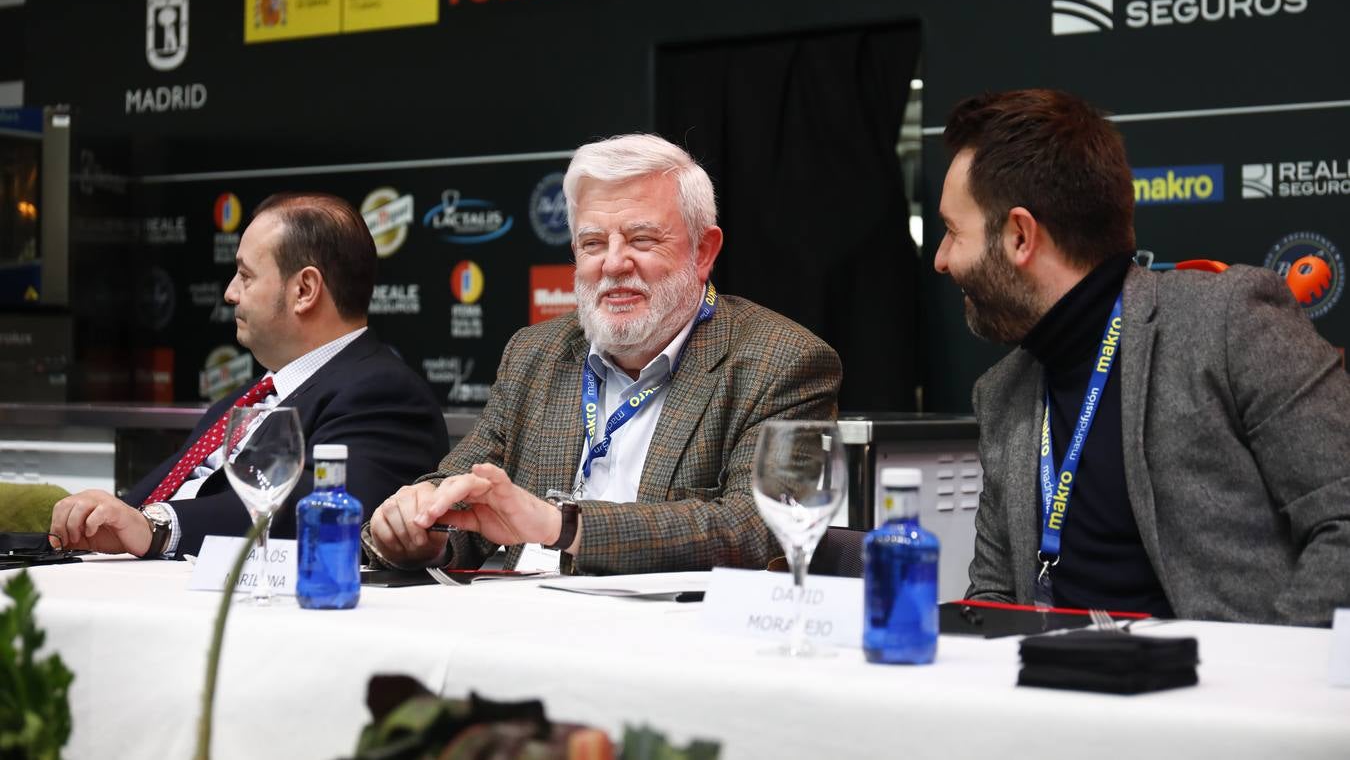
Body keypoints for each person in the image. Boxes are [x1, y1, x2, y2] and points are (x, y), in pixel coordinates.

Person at [934, 88, 1350, 626]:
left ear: (1020, 235)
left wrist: (1261, 679)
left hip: (1218, 697)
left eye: (951, 232)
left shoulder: (1226, 323)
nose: (942, 261)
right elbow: (992, 598)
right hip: (1049, 697)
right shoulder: (1001, 392)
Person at [366, 133, 842, 574]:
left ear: (703, 251)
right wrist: (423, 526)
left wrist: (563, 525)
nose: (613, 264)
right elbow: (465, 494)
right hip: (520, 632)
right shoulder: (536, 353)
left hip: (667, 645)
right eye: (593, 243)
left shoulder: (783, 361)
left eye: (641, 239)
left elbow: (758, 529)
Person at [50, 193, 449, 559]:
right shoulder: (245, 399)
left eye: (245, 275)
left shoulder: (384, 395)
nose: (229, 293)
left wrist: (157, 528)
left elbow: (317, 506)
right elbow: (147, 503)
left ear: (304, 290)